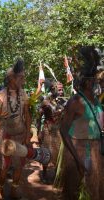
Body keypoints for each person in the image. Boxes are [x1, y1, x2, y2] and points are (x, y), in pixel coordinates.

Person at [60, 46, 104, 200]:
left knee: (95, 191)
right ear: (86, 82)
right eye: (95, 80)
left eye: (97, 80)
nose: (97, 83)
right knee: (72, 191)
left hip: (96, 151)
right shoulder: (75, 101)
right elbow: (63, 130)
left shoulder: (97, 101)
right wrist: (77, 160)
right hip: (77, 151)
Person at [0, 59, 31, 199]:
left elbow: (27, 114)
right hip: (6, 136)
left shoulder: (23, 93)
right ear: (11, 78)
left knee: (19, 165)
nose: (23, 79)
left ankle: (14, 189)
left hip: (20, 135)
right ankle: (1, 188)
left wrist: (28, 133)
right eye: (21, 77)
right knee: (5, 166)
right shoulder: (0, 96)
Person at [36, 80, 65, 183]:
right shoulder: (45, 101)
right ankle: (44, 174)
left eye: (62, 89)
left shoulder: (62, 101)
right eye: (59, 89)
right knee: (46, 152)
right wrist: (38, 131)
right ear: (53, 89)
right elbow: (38, 117)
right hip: (48, 130)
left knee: (59, 153)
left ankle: (57, 175)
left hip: (59, 131)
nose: (61, 91)